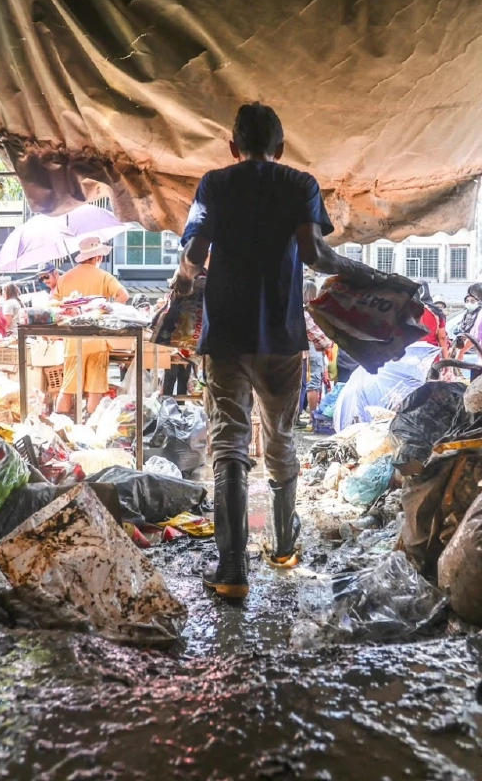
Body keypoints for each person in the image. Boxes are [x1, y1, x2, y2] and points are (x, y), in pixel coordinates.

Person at [172, 101, 375, 598]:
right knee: (281, 438)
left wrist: (181, 282)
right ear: (280, 148)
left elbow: (195, 254)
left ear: (233, 146)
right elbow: (314, 253)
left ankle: (231, 570)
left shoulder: (215, 184)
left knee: (229, 444)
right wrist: (365, 274)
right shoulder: (299, 185)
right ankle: (284, 547)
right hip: (282, 336)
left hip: (226, 337)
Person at [54, 237, 128, 416]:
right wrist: (106, 312)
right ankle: (91, 425)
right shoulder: (104, 276)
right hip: (97, 340)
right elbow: (123, 295)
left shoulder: (64, 278)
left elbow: (54, 304)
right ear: (98, 257)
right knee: (95, 389)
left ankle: (60, 421)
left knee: (67, 387)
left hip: (72, 340)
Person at [302, 279, 333, 420]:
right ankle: (313, 416)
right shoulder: (307, 311)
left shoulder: (297, 309)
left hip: (304, 350)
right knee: (313, 383)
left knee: (307, 383)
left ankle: (306, 414)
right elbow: (318, 335)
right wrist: (329, 344)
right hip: (311, 349)